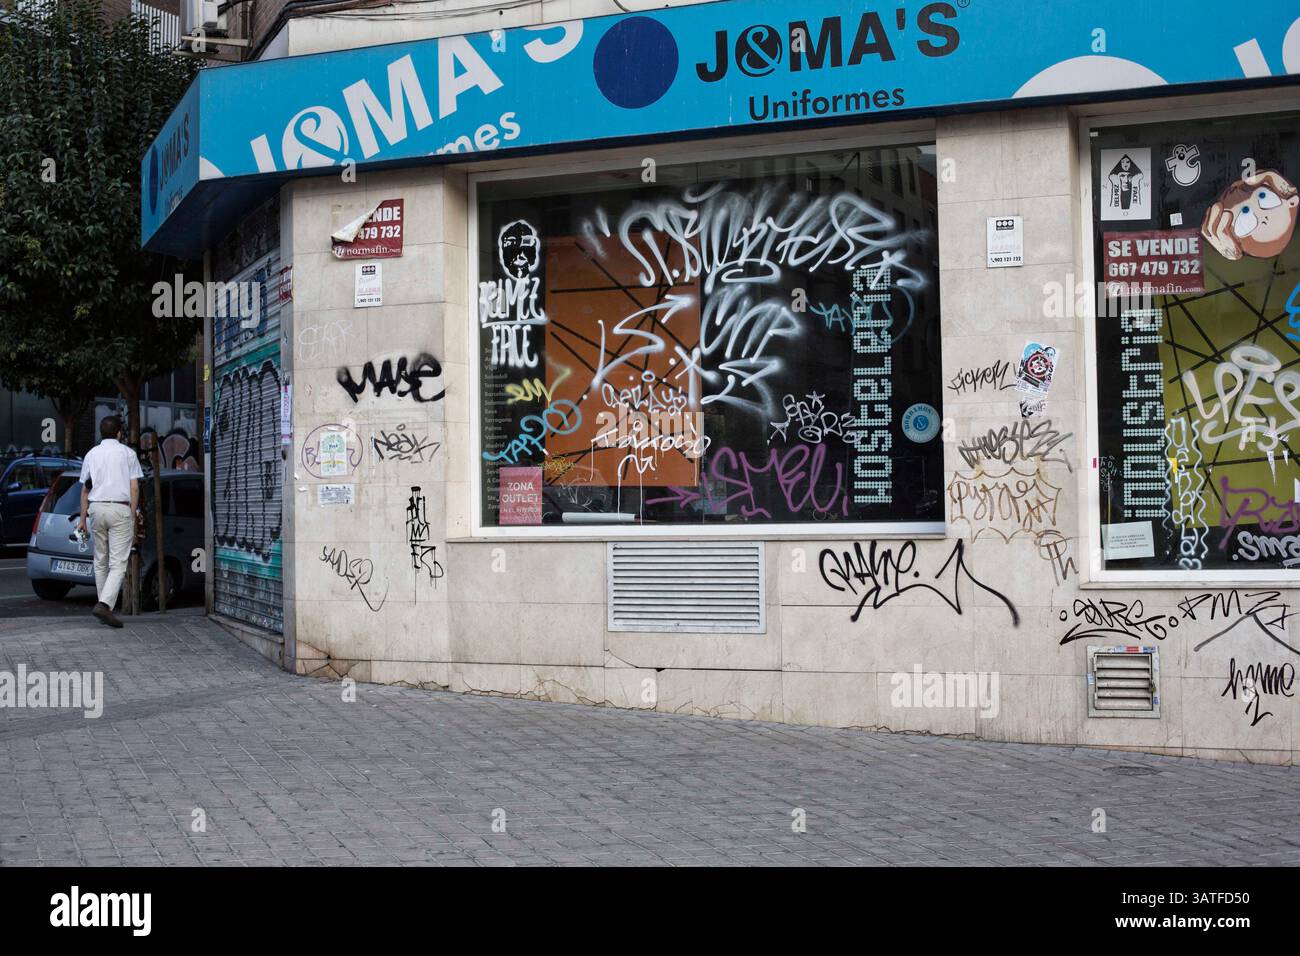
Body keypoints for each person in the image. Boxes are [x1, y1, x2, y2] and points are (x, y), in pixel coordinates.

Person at [77, 415, 142, 627]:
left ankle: (104, 607)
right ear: (119, 433)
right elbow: (134, 488)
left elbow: (85, 489)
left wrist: (82, 519)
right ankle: (104, 605)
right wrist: (133, 515)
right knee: (118, 562)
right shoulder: (128, 454)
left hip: (96, 508)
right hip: (119, 508)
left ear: (100, 433)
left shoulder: (91, 454)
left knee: (100, 559)